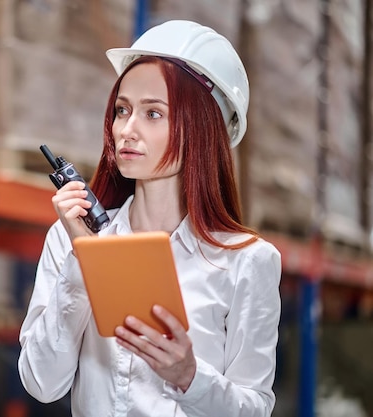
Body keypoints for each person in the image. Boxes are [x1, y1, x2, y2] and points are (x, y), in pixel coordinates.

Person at [18, 19, 282, 417]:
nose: (126, 129)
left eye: (153, 113)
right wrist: (85, 260)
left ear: (202, 129)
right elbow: (41, 383)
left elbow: (255, 407)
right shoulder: (69, 239)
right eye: (122, 110)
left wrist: (190, 377)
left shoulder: (247, 261)